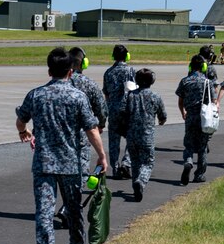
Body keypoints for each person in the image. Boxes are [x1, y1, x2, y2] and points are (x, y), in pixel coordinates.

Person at [16, 48, 108, 244]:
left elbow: (20, 120)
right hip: (70, 163)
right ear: (70, 71)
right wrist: (102, 155)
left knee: (44, 211)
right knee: (74, 207)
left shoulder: (36, 95)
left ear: (49, 71)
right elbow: (91, 129)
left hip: (44, 163)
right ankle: (76, 243)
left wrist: (24, 132)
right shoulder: (78, 97)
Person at [122, 68, 167, 201]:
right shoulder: (155, 96)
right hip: (147, 135)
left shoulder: (130, 95)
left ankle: (136, 187)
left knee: (135, 162)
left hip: (132, 135)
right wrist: (161, 120)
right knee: (148, 162)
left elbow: (124, 113)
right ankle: (140, 182)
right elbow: (162, 115)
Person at [68, 47, 107, 188]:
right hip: (83, 135)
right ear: (84, 63)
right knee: (81, 172)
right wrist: (101, 125)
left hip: (59, 135)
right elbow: (101, 108)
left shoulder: (61, 81)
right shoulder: (89, 83)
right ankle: (73, 205)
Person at [176, 54, 213, 184]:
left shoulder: (185, 81)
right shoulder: (208, 82)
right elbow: (212, 101)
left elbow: (180, 101)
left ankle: (188, 161)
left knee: (189, 144)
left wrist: (183, 112)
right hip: (204, 118)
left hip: (190, 116)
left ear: (190, 66)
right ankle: (199, 175)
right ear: (203, 67)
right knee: (202, 147)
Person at [101, 44, 135, 179]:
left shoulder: (108, 72)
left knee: (114, 141)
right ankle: (126, 163)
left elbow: (106, 94)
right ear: (127, 56)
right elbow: (133, 90)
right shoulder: (130, 70)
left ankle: (115, 169)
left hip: (113, 110)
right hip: (127, 109)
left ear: (113, 56)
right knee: (131, 139)